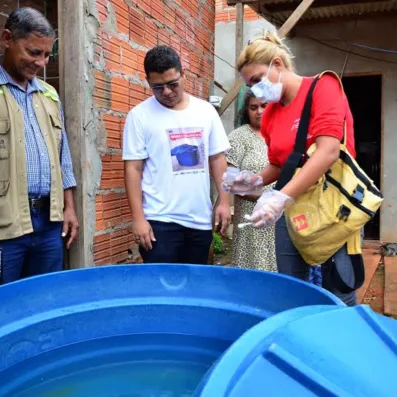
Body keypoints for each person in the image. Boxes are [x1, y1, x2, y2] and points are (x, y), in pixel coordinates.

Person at [223, 31, 357, 305]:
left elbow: (328, 151)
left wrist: (281, 197)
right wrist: (254, 181)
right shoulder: (272, 111)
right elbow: (278, 164)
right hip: (294, 210)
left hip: (332, 206)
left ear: (278, 65)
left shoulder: (323, 88)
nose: (257, 89)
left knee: (338, 290)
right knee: (291, 287)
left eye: (258, 79)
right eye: (251, 85)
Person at [0, 8, 79, 285]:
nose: (41, 62)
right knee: (1, 304)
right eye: (34, 52)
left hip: (50, 221)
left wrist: (69, 208)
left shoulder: (49, 93)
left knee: (44, 299)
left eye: (47, 55)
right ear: (7, 38)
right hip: (2, 224)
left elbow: (64, 157)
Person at [123, 45, 231, 264]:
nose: (167, 92)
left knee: (193, 290)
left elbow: (217, 159)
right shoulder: (139, 116)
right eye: (158, 87)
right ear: (148, 82)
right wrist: (138, 219)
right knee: (161, 289)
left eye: (173, 84)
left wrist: (224, 201)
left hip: (199, 220)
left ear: (184, 74)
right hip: (158, 221)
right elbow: (133, 168)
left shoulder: (205, 111)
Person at [226, 91, 276, 272]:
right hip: (251, 217)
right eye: (253, 107)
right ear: (246, 110)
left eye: (264, 106)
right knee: (253, 269)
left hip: (281, 216)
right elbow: (231, 181)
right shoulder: (238, 137)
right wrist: (263, 198)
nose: (259, 111)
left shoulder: (282, 135)